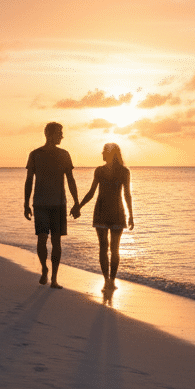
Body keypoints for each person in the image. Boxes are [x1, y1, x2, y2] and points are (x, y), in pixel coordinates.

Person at [23, 122, 80, 289]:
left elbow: (70, 179)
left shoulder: (64, 155)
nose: (62, 136)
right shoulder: (35, 154)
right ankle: (44, 269)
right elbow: (29, 181)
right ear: (49, 134)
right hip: (40, 204)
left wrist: (76, 202)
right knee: (42, 239)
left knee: (56, 242)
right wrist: (26, 204)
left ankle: (54, 278)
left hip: (59, 204)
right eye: (59, 133)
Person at [74, 142, 134, 292]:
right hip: (117, 212)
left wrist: (79, 206)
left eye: (103, 152)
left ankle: (107, 280)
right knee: (114, 249)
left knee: (104, 248)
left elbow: (92, 192)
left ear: (109, 153)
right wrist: (131, 215)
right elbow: (126, 195)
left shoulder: (101, 171)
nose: (101, 154)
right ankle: (111, 281)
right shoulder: (123, 171)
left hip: (102, 212)